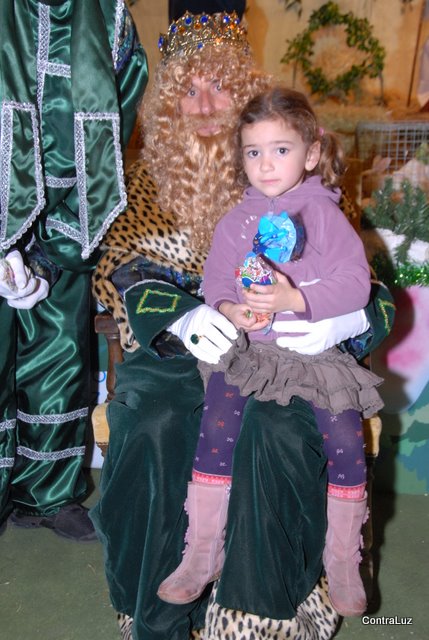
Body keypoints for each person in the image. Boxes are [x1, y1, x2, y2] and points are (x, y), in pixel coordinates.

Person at [89, 10, 393, 640]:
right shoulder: (135, 185)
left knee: (276, 431)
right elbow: (118, 272)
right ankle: (158, 615)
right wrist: (185, 315)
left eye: (219, 86)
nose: (204, 105)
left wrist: (338, 322)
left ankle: (261, 617)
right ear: (166, 108)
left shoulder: (303, 182)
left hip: (286, 357)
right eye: (187, 91)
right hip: (175, 357)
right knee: (153, 425)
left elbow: (369, 283)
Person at [156, 86, 384, 618]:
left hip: (316, 357)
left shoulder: (325, 215)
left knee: (345, 439)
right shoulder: (234, 220)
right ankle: (202, 551)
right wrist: (229, 309)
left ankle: (343, 560)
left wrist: (297, 300)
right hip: (251, 353)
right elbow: (217, 280)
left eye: (281, 149)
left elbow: (357, 284)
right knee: (215, 430)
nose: (266, 164)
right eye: (254, 152)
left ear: (311, 153)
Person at [0, 0, 148, 542]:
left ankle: (47, 493)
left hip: (68, 224)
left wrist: (52, 248)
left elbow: (118, 127)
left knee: (60, 354)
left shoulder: (110, 16)